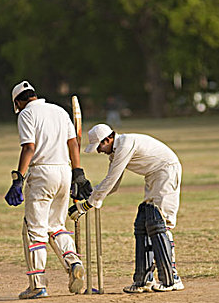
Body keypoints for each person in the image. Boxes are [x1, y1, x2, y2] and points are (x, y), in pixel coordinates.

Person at [69, 124, 184, 293]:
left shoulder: (125, 144)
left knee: (160, 222)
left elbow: (111, 179)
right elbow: (113, 185)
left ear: (108, 139)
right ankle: (144, 281)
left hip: (166, 172)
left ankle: (171, 279)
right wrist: (91, 194)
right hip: (154, 175)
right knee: (144, 222)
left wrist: (86, 205)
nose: (99, 151)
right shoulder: (116, 152)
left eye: (100, 146)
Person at [5, 80, 92, 299]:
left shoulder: (26, 115)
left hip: (42, 173)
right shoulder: (60, 111)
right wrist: (78, 172)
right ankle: (74, 263)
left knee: (35, 230)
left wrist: (19, 178)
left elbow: (29, 147)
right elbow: (73, 143)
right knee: (56, 226)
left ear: (18, 102)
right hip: (64, 172)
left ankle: (37, 284)